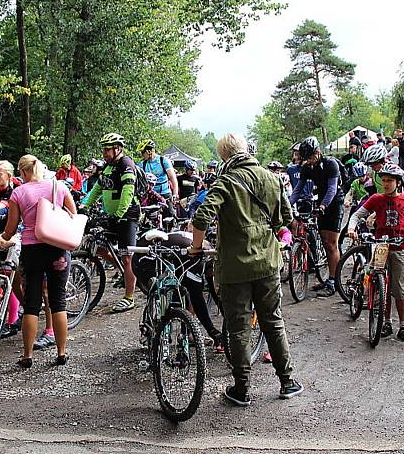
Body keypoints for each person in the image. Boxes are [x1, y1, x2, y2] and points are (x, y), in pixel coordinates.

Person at [188, 132, 302, 405]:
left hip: (235, 267)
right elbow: (286, 219)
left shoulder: (225, 181)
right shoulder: (271, 178)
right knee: (273, 321)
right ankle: (287, 381)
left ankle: (242, 389)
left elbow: (201, 216)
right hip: (268, 263)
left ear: (225, 156)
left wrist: (196, 247)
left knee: (238, 328)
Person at [0, 154, 74, 368]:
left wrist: (0, 238)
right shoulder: (58, 186)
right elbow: (73, 215)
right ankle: (61, 352)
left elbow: (11, 230)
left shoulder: (18, 193)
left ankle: (28, 355)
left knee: (31, 304)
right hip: (57, 248)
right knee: (58, 301)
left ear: (22, 172)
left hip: (31, 250)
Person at [348, 164, 404, 343]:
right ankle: (386, 322)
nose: (386, 184)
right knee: (381, 285)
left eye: (390, 181)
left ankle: (403, 325)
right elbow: (357, 215)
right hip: (381, 246)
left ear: (398, 182)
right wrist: (352, 228)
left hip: (399, 248)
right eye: (383, 181)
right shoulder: (376, 198)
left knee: (399, 289)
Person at [82, 133, 140, 313]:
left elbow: (128, 192)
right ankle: (121, 268)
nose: (104, 152)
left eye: (107, 149)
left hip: (127, 216)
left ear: (118, 148)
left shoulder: (126, 165)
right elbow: (97, 189)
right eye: (103, 148)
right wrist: (84, 205)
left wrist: (120, 213)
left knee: (127, 255)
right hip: (112, 215)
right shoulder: (108, 167)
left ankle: (129, 297)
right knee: (95, 244)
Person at [290, 136, 345, 296]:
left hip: (334, 202)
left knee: (331, 244)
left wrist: (323, 206)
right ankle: (327, 278)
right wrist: (286, 204)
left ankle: (334, 280)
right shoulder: (307, 168)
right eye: (306, 159)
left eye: (311, 157)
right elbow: (297, 190)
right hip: (321, 199)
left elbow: (332, 189)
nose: (310, 161)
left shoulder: (331, 164)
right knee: (324, 241)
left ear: (318, 152)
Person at [137, 139, 178, 212]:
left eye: (143, 152)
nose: (142, 155)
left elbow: (173, 178)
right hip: (151, 195)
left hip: (164, 194)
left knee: (170, 214)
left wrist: (175, 194)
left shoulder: (163, 160)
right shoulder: (142, 164)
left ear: (149, 151)